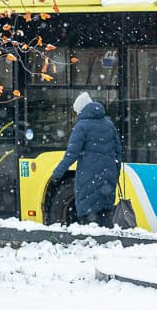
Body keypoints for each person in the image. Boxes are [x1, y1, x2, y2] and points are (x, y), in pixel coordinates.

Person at [50, 91, 122, 227]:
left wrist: (57, 174)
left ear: (82, 110)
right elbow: (118, 153)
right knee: (105, 218)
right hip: (108, 179)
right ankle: (107, 245)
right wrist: (114, 173)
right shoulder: (109, 124)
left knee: (89, 221)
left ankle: (92, 245)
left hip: (89, 179)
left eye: (77, 112)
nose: (77, 115)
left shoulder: (82, 126)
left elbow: (71, 154)